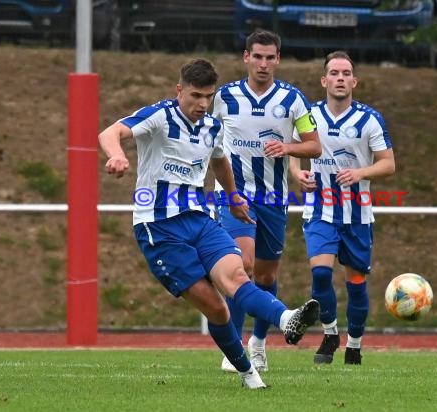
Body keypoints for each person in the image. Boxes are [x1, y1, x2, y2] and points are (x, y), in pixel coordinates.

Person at [98, 58, 319, 389]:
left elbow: (220, 163)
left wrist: (233, 198)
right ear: (180, 91)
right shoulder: (159, 115)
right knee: (217, 309)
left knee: (237, 276)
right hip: (159, 227)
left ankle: (288, 319)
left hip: (199, 219)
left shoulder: (212, 127)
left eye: (208, 97)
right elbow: (111, 131)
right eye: (196, 96)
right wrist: (116, 154)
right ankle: (248, 373)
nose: (203, 104)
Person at [212, 30, 321, 373]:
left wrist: (288, 148)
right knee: (241, 264)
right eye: (256, 56)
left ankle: (258, 343)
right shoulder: (224, 97)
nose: (262, 63)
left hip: (273, 197)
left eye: (269, 57)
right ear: (246, 57)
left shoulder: (293, 100)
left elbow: (315, 145)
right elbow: (205, 139)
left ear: (278, 59)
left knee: (265, 274)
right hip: (234, 194)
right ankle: (236, 348)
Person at [290, 51, 396, 365]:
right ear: (324, 80)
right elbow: (293, 152)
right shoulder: (308, 115)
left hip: (358, 213)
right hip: (320, 209)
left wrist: (361, 173)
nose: (340, 78)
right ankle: (330, 333)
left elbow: (388, 164)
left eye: (345, 73)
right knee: (321, 273)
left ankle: (355, 345)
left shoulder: (370, 118)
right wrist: (298, 173)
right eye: (334, 73)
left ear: (354, 81)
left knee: (356, 283)